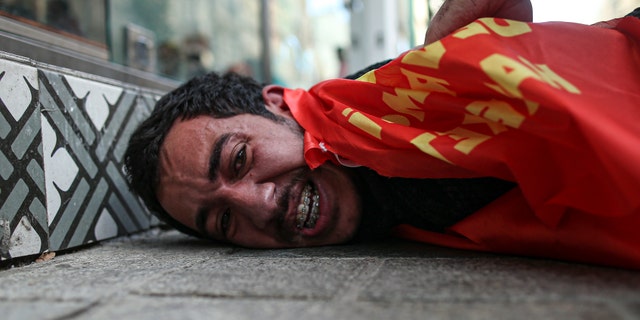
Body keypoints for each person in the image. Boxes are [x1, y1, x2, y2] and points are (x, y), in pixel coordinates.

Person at [125, 0, 640, 268]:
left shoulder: (401, 100)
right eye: (224, 221)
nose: (260, 207)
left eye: (239, 159)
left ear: (279, 103)